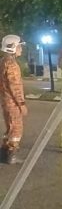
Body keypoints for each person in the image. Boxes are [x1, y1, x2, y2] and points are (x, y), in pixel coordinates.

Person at [0, 34, 28, 165]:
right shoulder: (12, 65)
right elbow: (15, 86)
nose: (21, 49)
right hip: (12, 103)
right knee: (16, 129)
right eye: (19, 47)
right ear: (12, 47)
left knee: (9, 128)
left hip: (5, 101)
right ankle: (11, 156)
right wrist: (21, 104)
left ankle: (3, 154)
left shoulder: (3, 61)